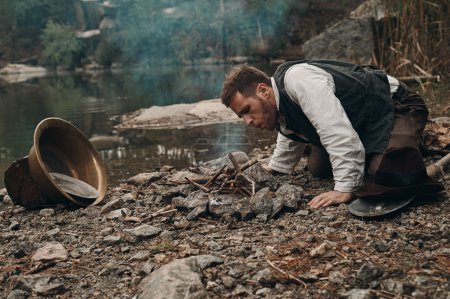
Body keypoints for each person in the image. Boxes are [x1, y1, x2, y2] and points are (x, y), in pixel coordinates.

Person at [220, 60, 443, 208]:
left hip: (392, 105)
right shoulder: (277, 104)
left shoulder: (298, 79)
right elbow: (289, 130)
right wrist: (278, 167)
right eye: (242, 117)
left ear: (263, 90)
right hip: (357, 121)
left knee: (382, 171)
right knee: (318, 168)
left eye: (247, 111)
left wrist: (344, 188)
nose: (248, 121)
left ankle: (404, 141)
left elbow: (336, 130)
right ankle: (367, 150)